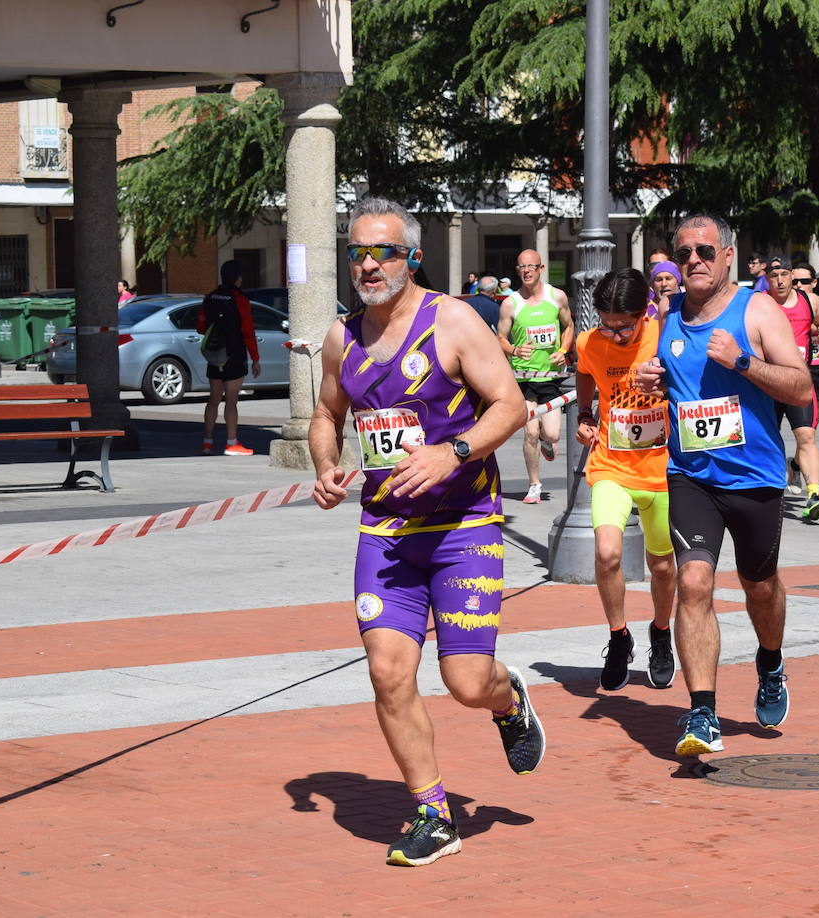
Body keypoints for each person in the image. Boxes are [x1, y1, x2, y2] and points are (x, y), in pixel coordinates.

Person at [310, 196, 544, 867]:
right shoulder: (342, 337)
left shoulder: (454, 321)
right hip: (386, 533)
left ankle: (507, 699)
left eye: (383, 251)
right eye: (357, 252)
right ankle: (433, 813)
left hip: (463, 524)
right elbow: (328, 414)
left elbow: (512, 405)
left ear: (413, 256)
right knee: (389, 675)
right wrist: (329, 466)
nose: (368, 264)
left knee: (467, 681)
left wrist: (456, 452)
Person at [635, 214, 811, 756]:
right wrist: (654, 378)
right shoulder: (668, 315)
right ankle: (703, 713)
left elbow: (801, 384)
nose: (694, 261)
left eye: (705, 251)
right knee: (693, 585)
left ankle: (770, 661)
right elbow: (675, 379)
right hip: (691, 476)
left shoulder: (755, 310)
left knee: (761, 588)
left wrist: (743, 362)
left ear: (728, 256)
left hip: (754, 478)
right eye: (684, 252)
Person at [574, 268, 677, 691]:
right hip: (611, 465)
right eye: (607, 325)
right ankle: (619, 637)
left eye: (625, 327)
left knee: (663, 566)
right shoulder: (590, 343)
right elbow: (583, 371)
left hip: (661, 468)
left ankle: (661, 632)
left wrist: (666, 391)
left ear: (643, 314)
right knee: (608, 553)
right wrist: (584, 415)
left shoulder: (665, 333)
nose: (615, 335)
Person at [497, 248, 573, 504]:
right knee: (529, 433)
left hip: (550, 378)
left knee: (551, 434)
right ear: (518, 271)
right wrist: (515, 349)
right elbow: (500, 338)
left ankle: (547, 441)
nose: (527, 271)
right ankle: (534, 484)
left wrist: (563, 350)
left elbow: (569, 326)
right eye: (522, 267)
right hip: (523, 379)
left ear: (541, 269)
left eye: (532, 266)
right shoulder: (511, 303)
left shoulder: (557, 297)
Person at [775, 260, 819, 520]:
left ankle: (814, 493)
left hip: (812, 374)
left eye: (802, 281)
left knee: (807, 434)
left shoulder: (818, 302)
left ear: (813, 282)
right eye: (795, 281)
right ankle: (769, 490)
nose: (796, 285)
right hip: (772, 379)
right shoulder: (764, 301)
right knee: (772, 437)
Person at [197, 259, 261, 454]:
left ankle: (207, 442)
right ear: (238, 278)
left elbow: (200, 327)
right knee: (231, 400)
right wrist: (255, 358)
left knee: (213, 398)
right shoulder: (240, 299)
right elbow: (248, 331)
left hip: (215, 354)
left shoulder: (210, 297)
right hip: (234, 354)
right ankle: (232, 443)